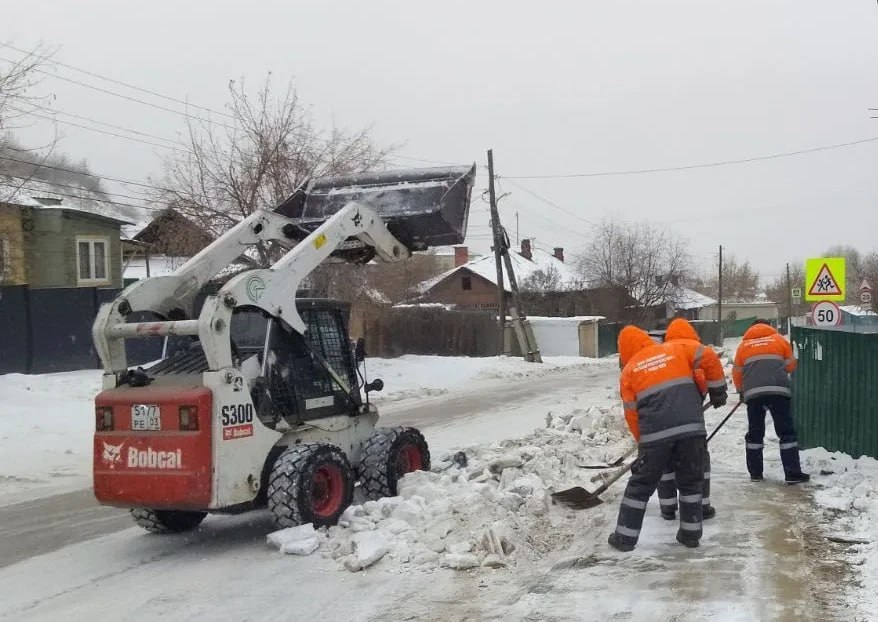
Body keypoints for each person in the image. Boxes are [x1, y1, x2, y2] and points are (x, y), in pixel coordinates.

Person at [608, 326, 708, 552]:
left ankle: (625, 538)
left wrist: (643, 443)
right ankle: (690, 535)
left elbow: (632, 414)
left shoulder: (630, 371)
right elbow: (700, 378)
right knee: (691, 481)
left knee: (640, 485)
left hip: (656, 435)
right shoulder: (675, 351)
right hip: (692, 430)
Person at [657, 318, 728, 521]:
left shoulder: (660, 352)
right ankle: (701, 506)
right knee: (697, 460)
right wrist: (717, 393)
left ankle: (668, 507)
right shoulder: (696, 349)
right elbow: (712, 364)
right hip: (689, 417)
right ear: (692, 333)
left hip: (660, 412)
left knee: (665, 459)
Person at [733, 320, 809, 484]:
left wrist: (741, 391)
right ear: (769, 327)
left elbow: (737, 373)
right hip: (778, 391)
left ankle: (756, 473)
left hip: (754, 394)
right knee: (786, 432)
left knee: (755, 433)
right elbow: (790, 366)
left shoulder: (743, 346)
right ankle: (792, 473)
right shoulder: (779, 340)